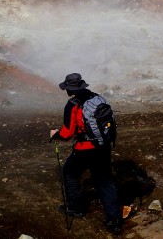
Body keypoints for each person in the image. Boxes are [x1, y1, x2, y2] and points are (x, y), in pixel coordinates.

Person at [49, 72, 123, 234]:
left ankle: (76, 208)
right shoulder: (98, 98)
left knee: (69, 173)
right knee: (105, 181)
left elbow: (68, 133)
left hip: (85, 149)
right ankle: (114, 221)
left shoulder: (73, 105)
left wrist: (55, 134)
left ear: (69, 89)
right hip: (103, 147)